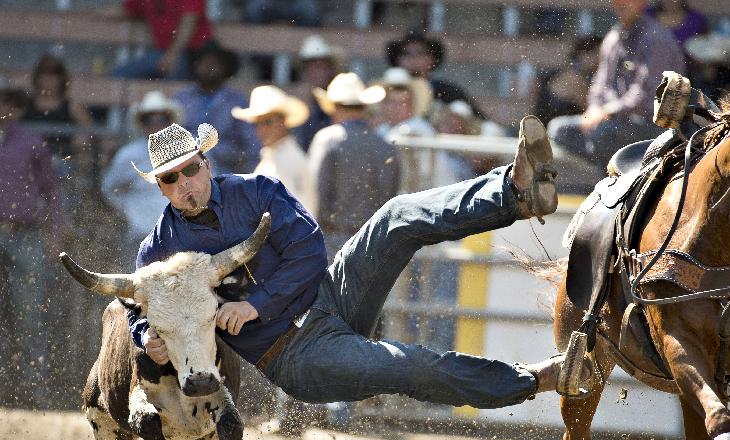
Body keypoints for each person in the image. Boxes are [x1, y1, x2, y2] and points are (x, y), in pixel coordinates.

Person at [124, 116, 592, 414]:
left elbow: (309, 250)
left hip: (330, 296)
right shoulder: (158, 252)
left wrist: (255, 306)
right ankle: (534, 379)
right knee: (410, 365)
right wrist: (148, 339)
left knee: (395, 217)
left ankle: (514, 192)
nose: (185, 183)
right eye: (171, 178)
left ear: (205, 163)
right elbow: (134, 308)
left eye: (190, 169)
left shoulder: (255, 191)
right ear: (160, 188)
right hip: (294, 356)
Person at [547, 0, 685, 170]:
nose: (622, 4)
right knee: (559, 129)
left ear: (641, 3)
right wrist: (594, 108)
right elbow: (600, 84)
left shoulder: (656, 38)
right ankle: (617, 172)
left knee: (602, 135)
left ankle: (621, 175)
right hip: (615, 122)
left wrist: (607, 111)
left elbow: (647, 96)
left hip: (655, 126)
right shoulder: (613, 37)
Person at [0, 80, 64, 408]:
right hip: (17, 234)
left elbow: (53, 191)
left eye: (8, 102)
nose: (3, 108)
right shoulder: (30, 141)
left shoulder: (32, 142)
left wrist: (54, 235)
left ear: (15, 106)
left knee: (29, 315)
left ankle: (34, 394)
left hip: (24, 235)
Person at [306, 73, 399, 253]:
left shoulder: (327, 139)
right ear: (364, 107)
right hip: (374, 240)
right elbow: (390, 195)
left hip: (333, 239)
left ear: (334, 107)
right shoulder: (386, 146)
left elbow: (317, 195)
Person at [101, 91, 184, 268]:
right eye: (149, 119)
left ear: (169, 121)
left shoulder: (188, 154)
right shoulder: (128, 155)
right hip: (139, 235)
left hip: (179, 237)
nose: (155, 124)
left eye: (160, 119)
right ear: (142, 123)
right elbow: (109, 188)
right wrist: (127, 211)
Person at [174, 41, 258, 175]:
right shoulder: (181, 99)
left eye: (215, 63)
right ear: (196, 66)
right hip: (185, 171)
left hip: (227, 172)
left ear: (225, 68)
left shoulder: (237, 101)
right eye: (205, 63)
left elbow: (252, 143)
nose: (209, 67)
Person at [232, 85, 313, 206]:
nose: (261, 130)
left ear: (283, 121)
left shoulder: (289, 159)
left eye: (267, 122)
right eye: (257, 124)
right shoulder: (274, 155)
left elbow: (299, 213)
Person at [385, 31, 486, 120]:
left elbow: (478, 122)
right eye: (406, 54)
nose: (413, 59)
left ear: (432, 59)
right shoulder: (384, 89)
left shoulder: (447, 92)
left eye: (421, 53)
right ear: (397, 59)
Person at [106, 0, 212, 80]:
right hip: (161, 53)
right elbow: (124, 10)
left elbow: (189, 23)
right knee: (117, 76)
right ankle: (93, 109)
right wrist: (93, 13)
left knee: (176, 69)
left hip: (194, 54)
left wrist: (172, 55)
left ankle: (171, 107)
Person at [22, 54, 93, 166]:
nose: (49, 81)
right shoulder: (24, 106)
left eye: (54, 76)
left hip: (60, 164)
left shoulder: (73, 107)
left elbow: (88, 135)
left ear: (61, 79)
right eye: (45, 75)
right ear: (37, 78)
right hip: (27, 162)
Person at [531, 36, 603, 127]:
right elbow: (589, 110)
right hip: (552, 129)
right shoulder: (574, 77)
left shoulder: (570, 72)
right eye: (597, 54)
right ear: (583, 54)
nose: (600, 60)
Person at [292, 36, 343, 151]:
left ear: (330, 69)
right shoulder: (303, 100)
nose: (314, 73)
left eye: (319, 67)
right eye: (310, 68)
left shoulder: (340, 98)